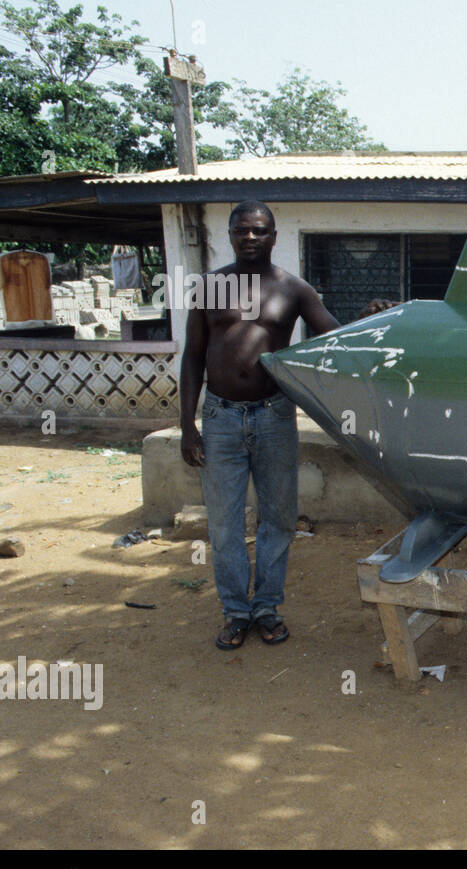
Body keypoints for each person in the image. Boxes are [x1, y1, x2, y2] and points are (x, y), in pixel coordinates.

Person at [179, 200, 393, 650]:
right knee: (225, 524)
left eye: (259, 230)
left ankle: (266, 608)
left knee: (278, 519)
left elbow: (332, 338)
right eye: (242, 230)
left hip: (274, 415)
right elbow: (193, 357)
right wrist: (187, 425)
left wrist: (367, 318)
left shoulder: (293, 290)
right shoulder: (210, 287)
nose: (250, 237)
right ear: (231, 234)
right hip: (219, 418)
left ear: (274, 236)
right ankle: (236, 612)